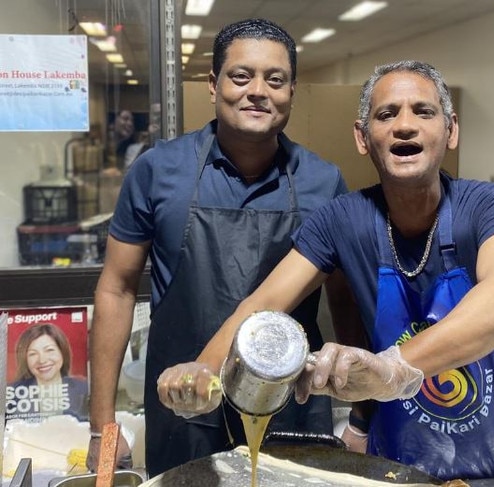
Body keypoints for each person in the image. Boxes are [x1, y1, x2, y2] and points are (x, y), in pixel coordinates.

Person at [158, 60, 494, 481]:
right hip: (396, 463)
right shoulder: (341, 221)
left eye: (423, 112)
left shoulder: (492, 206)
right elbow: (263, 304)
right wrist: (203, 367)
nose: (405, 126)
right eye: (386, 115)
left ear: (451, 130)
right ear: (363, 137)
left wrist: (392, 368)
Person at [86, 18, 357, 477]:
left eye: (275, 79)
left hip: (290, 405)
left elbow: (345, 301)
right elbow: (116, 289)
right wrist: (101, 428)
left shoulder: (323, 182)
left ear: (292, 91)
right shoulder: (158, 171)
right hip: (183, 406)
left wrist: (362, 416)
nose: (258, 91)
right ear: (213, 85)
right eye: (240, 76)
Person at [6, 323, 88, 422]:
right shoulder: (10, 394)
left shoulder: (83, 389)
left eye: (49, 350)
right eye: (33, 354)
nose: (42, 360)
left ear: (62, 351)